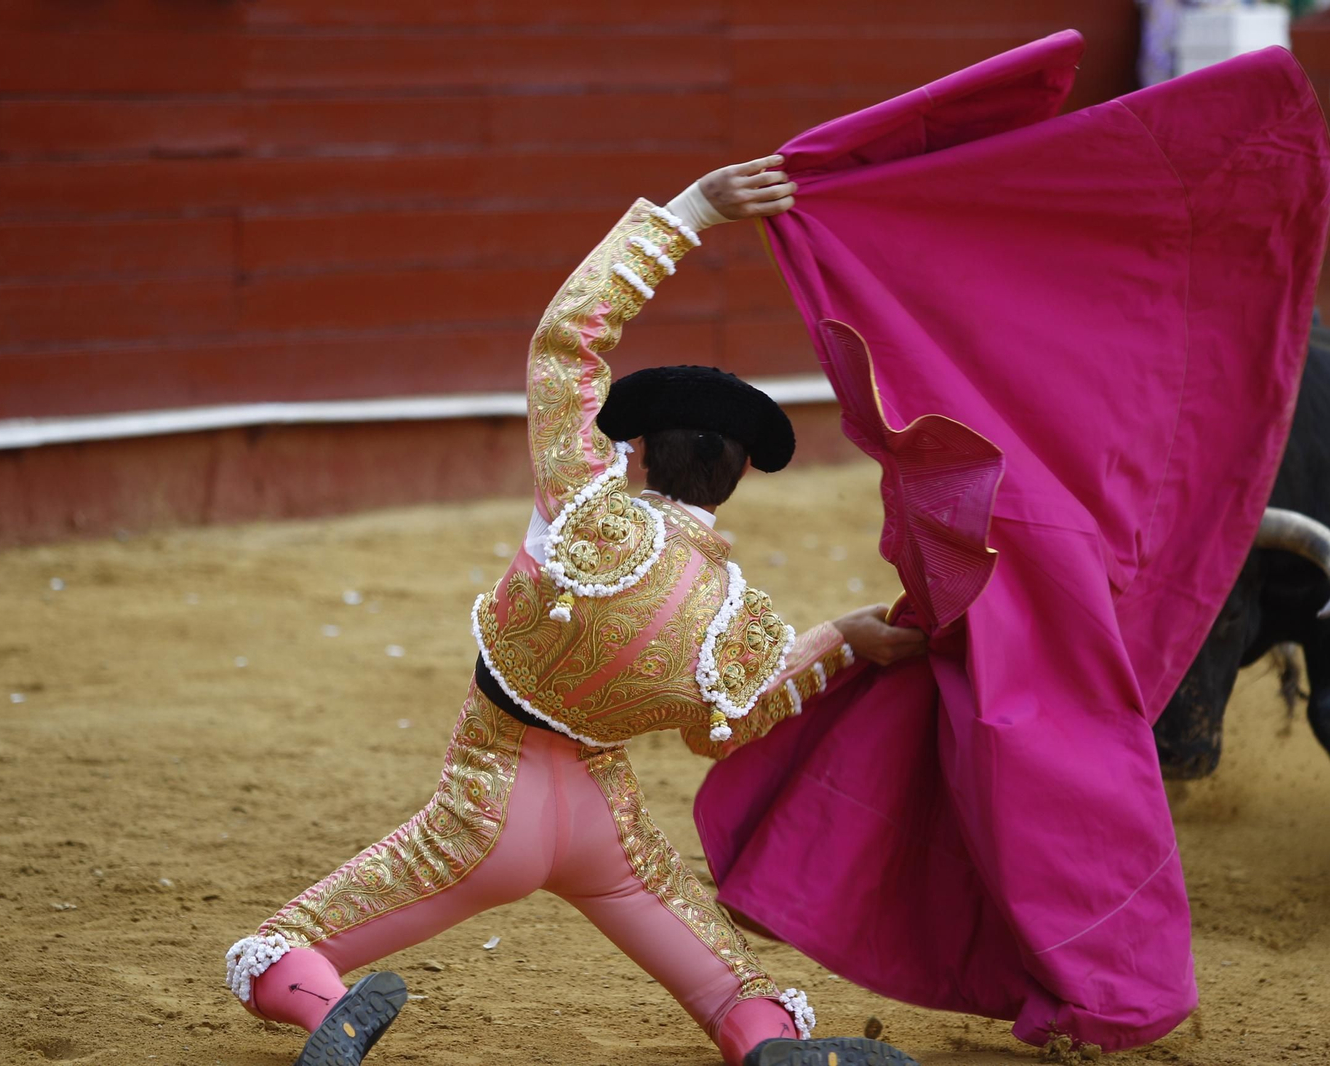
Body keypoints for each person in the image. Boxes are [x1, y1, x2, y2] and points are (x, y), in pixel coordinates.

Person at [222, 157, 927, 1066]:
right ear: (740, 475)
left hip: (483, 810)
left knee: (279, 951)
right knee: (729, 985)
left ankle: (325, 1013)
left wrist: (693, 210)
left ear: (630, 451)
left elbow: (566, 341)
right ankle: (767, 1047)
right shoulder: (734, 616)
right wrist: (843, 640)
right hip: (606, 832)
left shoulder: (582, 508)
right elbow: (732, 722)